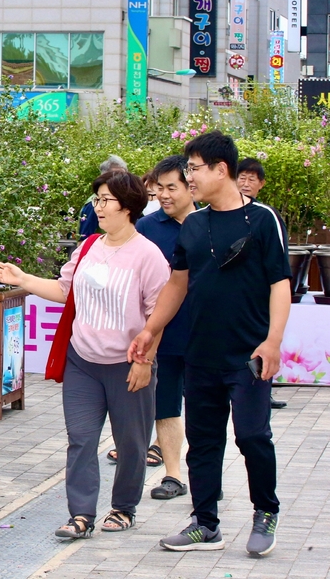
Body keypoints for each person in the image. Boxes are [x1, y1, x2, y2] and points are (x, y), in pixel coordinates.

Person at [128, 130, 290, 557]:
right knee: (203, 440)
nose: (189, 176)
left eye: (194, 169)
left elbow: (279, 284)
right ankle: (205, 522)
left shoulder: (263, 220)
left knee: (253, 435)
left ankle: (266, 511)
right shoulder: (194, 225)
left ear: (222, 170)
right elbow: (177, 285)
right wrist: (150, 329)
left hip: (248, 355)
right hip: (200, 353)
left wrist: (272, 342)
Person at [0, 170, 169, 540]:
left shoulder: (148, 255)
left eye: (106, 200)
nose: (98, 207)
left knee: (132, 444)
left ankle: (123, 507)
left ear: (128, 207)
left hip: (127, 366)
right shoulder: (88, 246)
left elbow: (158, 314)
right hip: (83, 363)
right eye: (97, 199)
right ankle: (81, 514)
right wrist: (22, 278)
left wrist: (145, 361)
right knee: (82, 439)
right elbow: (63, 290)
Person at [134, 155, 195, 500]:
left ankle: (205, 475)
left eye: (171, 187)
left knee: (204, 409)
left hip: (205, 335)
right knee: (166, 405)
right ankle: (173, 475)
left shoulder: (209, 224)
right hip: (163, 336)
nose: (164, 195)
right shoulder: (147, 228)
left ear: (191, 186)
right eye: (159, 189)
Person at [236, 158, 286, 409]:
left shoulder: (267, 217)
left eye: (251, 179)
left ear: (261, 184)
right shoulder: (213, 215)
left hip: (259, 306)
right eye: (241, 177)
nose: (245, 183)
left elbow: (279, 272)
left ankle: (263, 391)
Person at [78, 155, 128, 240]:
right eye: (117, 176)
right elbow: (84, 241)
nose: (121, 180)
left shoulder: (125, 200)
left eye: (124, 176)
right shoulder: (93, 204)